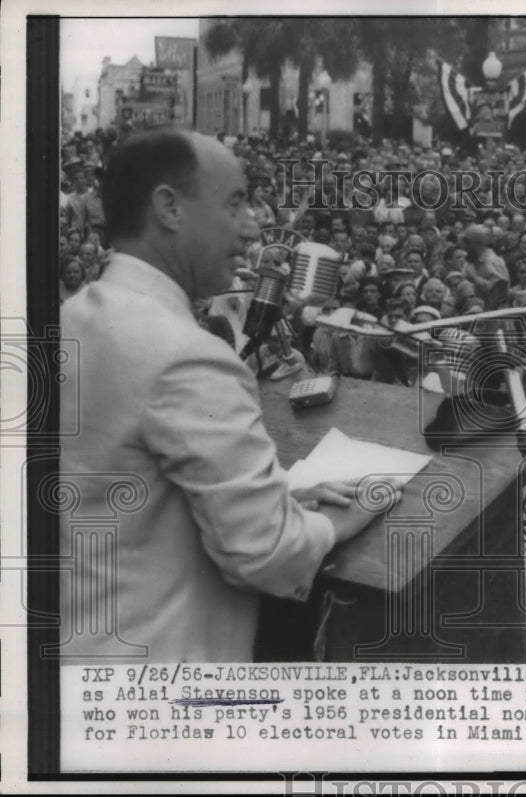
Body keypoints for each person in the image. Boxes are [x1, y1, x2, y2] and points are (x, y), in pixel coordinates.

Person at [59, 130, 398, 663]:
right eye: (235, 203)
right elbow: (267, 554)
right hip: (163, 689)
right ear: (169, 208)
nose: (253, 225)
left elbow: (138, 489)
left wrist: (277, 496)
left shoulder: (73, 318)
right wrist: (330, 523)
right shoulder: (188, 356)